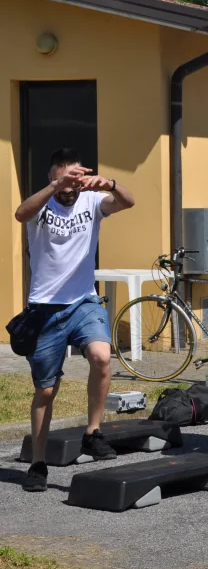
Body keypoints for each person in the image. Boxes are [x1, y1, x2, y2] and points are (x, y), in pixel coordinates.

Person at [14, 148, 136, 492]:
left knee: (100, 356)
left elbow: (128, 201)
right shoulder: (42, 207)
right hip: (45, 308)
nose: (70, 188)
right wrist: (54, 187)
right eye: (62, 181)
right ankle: (38, 464)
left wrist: (109, 183)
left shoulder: (92, 201)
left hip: (84, 300)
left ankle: (92, 432)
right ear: (52, 180)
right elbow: (20, 213)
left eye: (74, 181)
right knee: (46, 390)